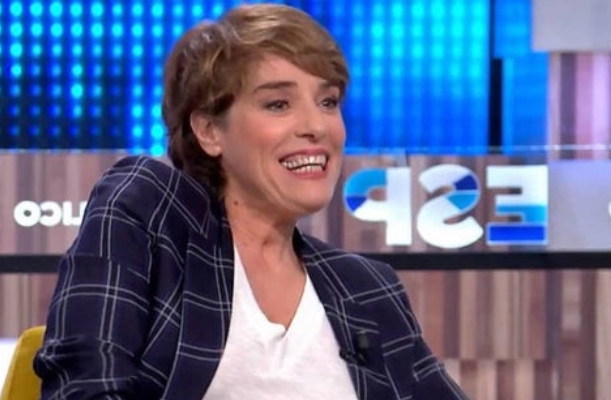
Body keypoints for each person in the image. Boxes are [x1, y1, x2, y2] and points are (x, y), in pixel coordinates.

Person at [33, 3, 468, 399]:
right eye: (278, 104)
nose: (317, 126)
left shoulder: (367, 287)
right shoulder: (151, 216)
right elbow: (84, 388)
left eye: (328, 101)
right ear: (209, 131)